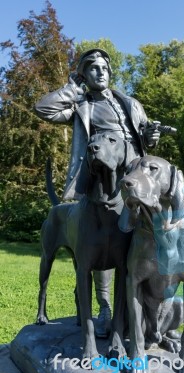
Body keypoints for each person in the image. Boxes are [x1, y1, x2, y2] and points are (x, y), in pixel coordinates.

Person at [35, 48, 160, 337]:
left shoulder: (130, 103)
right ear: (84, 75)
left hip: (134, 182)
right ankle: (104, 309)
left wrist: (150, 136)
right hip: (101, 182)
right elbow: (44, 108)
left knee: (137, 246)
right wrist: (73, 87)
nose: (100, 72)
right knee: (102, 243)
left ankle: (139, 310)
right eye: (92, 68)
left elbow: (144, 140)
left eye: (104, 67)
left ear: (111, 73)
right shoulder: (83, 104)